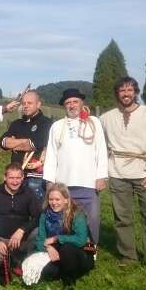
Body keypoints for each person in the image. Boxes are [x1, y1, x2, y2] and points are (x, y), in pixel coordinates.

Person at [100, 77, 146, 272]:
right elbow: (94, 139)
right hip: (117, 173)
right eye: (122, 90)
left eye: (129, 90)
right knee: (122, 218)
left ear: (135, 92)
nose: (126, 94)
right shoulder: (106, 118)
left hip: (145, 173)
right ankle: (128, 256)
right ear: (117, 93)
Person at [43, 88, 108, 247]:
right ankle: (67, 248)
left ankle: (91, 249)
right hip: (64, 184)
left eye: (75, 101)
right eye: (68, 103)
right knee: (66, 219)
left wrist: (101, 176)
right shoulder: (57, 126)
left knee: (92, 219)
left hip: (88, 182)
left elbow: (101, 149)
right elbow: (51, 154)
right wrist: (50, 181)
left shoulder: (93, 122)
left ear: (81, 103)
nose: (72, 105)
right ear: (64, 106)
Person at [35, 183, 95, 290]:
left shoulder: (77, 214)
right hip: (57, 251)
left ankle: (69, 283)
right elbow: (40, 239)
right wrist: (48, 248)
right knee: (46, 273)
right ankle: (65, 271)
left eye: (57, 199)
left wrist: (57, 238)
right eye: (51, 199)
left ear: (66, 200)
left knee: (67, 248)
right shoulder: (45, 214)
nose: (54, 203)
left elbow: (81, 240)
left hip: (83, 251)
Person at [0, 163, 41, 270]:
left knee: (38, 231)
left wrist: (22, 230)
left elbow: (37, 216)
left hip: (22, 239)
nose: (15, 182)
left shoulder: (28, 193)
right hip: (1, 238)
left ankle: (24, 260)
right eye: (11, 178)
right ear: (5, 177)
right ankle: (10, 260)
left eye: (18, 178)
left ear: (23, 178)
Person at [0, 90, 53, 200]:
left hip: (36, 178)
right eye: (24, 103)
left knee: (36, 209)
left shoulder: (46, 123)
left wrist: (14, 143)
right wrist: (25, 142)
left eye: (30, 103)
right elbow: (2, 142)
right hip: (16, 178)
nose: (26, 106)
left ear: (38, 104)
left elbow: (35, 144)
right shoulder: (16, 124)